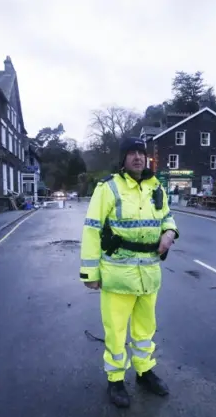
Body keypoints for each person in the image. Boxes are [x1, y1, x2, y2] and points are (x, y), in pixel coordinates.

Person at [79, 137, 179, 408]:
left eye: (141, 153)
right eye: (132, 153)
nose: (138, 157)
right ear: (122, 159)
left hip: (149, 274)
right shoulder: (108, 187)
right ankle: (115, 379)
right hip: (118, 276)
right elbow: (91, 228)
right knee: (116, 331)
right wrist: (90, 272)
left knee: (146, 329)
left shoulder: (155, 186)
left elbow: (167, 216)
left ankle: (145, 372)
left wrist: (170, 232)